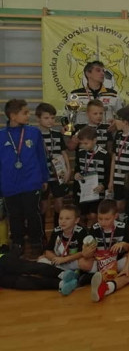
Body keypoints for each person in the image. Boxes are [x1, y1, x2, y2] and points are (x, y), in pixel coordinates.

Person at [0, 99, 49, 258]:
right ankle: (18, 243)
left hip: (31, 181)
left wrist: (44, 178)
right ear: (13, 116)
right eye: (25, 112)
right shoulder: (1, 136)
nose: (29, 115)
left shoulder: (34, 133)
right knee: (14, 215)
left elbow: (41, 157)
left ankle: (36, 242)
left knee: (32, 213)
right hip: (9, 184)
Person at [35, 102, 71, 233]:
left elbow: (64, 153)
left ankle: (58, 233)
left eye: (52, 117)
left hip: (58, 173)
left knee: (59, 204)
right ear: (38, 118)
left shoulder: (56, 134)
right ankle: (41, 235)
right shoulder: (34, 135)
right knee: (43, 205)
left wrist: (68, 170)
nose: (50, 120)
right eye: (46, 118)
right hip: (43, 176)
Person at [79, 199, 129, 280]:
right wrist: (86, 252)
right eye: (100, 219)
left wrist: (124, 244)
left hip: (117, 261)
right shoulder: (94, 228)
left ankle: (98, 275)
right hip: (100, 262)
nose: (103, 222)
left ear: (115, 216)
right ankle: (105, 273)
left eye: (107, 219)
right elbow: (86, 252)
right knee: (82, 262)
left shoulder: (123, 227)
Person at [73, 126, 111, 228]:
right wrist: (76, 175)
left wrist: (103, 185)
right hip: (82, 191)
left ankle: (92, 232)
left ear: (95, 140)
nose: (83, 146)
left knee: (93, 216)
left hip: (97, 192)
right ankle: (84, 233)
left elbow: (108, 174)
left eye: (86, 143)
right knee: (80, 216)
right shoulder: (80, 153)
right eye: (81, 143)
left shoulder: (104, 155)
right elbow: (77, 168)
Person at [0, 247, 78, 294]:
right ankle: (60, 284)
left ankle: (62, 274)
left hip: (2, 260)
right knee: (22, 283)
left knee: (29, 267)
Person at [40, 204, 88, 270]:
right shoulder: (56, 231)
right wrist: (56, 259)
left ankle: (60, 271)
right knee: (41, 259)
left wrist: (65, 259)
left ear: (76, 220)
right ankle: (61, 271)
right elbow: (48, 251)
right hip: (59, 260)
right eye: (60, 218)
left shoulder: (81, 232)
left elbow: (83, 253)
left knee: (85, 263)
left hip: (72, 260)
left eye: (67, 218)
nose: (63, 221)